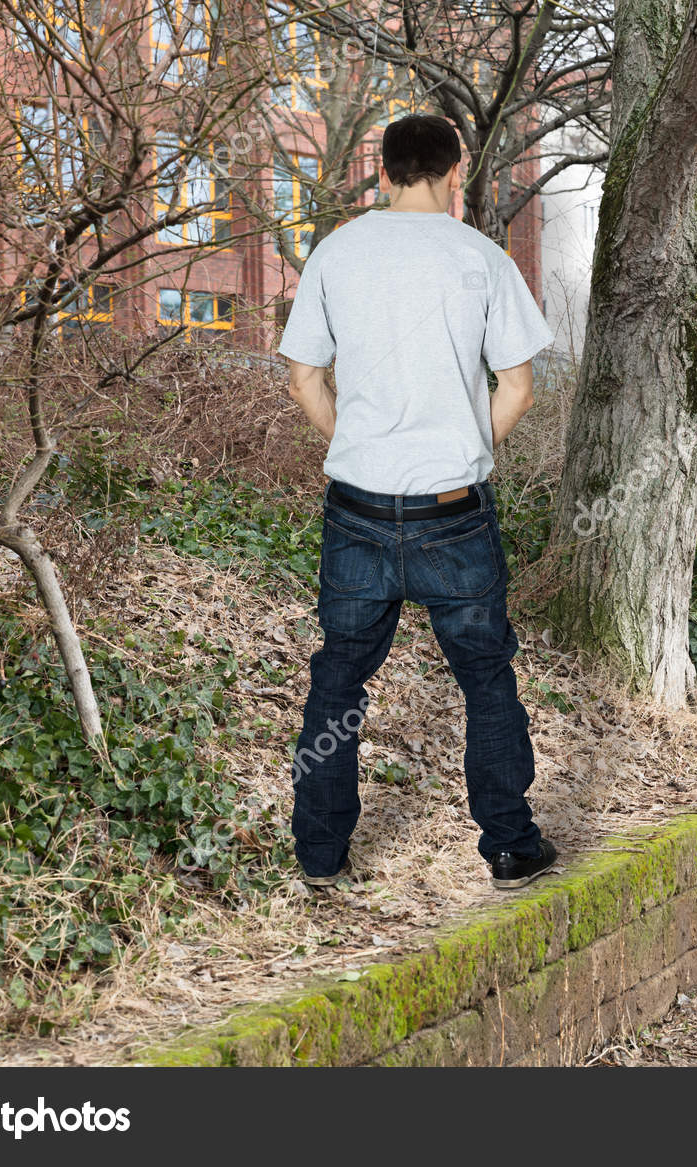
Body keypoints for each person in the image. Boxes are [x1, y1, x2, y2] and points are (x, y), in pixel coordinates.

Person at [278, 113, 557, 892]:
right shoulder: (482, 258)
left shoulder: (336, 252)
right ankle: (509, 845)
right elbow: (520, 387)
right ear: (454, 170)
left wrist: (359, 449)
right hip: (452, 512)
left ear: (384, 169)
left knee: (339, 678)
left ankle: (320, 855)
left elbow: (303, 376)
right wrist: (462, 450)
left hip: (357, 508)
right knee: (486, 678)